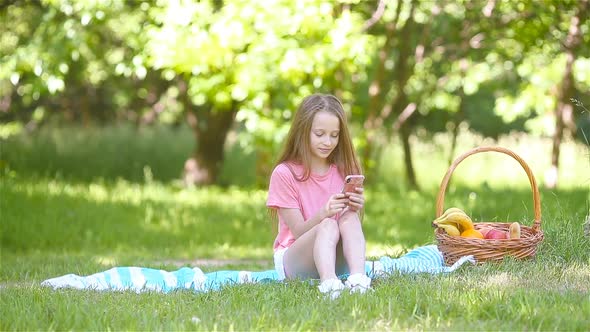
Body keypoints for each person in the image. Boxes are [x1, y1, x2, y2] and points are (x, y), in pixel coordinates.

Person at [266, 93, 371, 299]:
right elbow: (297, 232)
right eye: (320, 134)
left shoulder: (345, 169)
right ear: (303, 131)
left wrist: (355, 208)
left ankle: (359, 280)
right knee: (328, 225)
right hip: (295, 261)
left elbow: (349, 230)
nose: (328, 142)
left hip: (333, 253)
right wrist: (324, 213)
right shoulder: (284, 173)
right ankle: (329, 284)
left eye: (334, 135)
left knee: (348, 218)